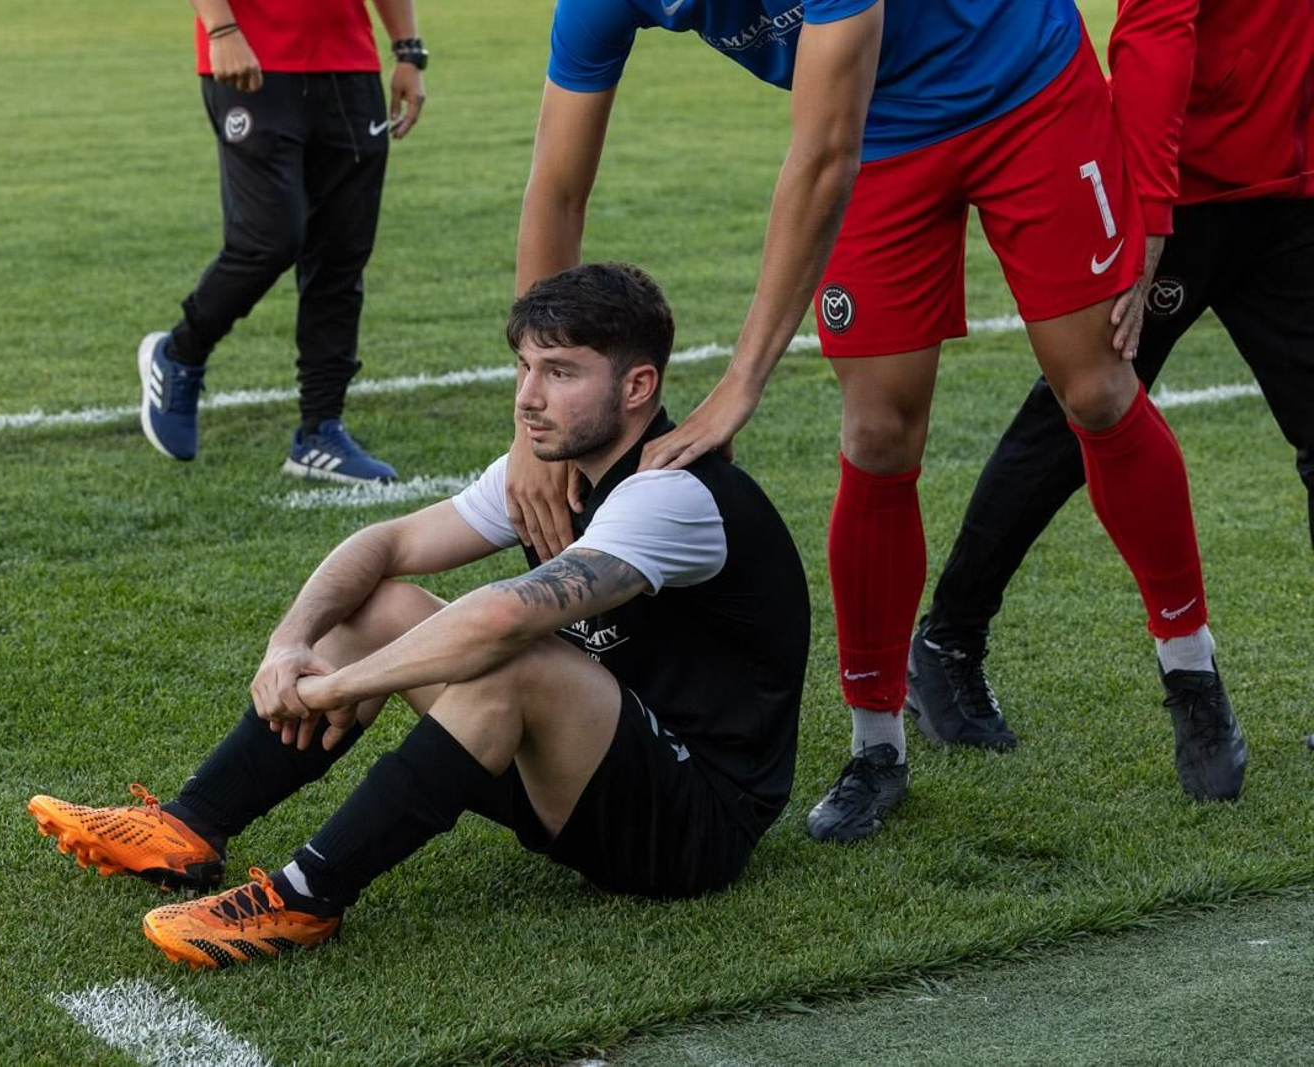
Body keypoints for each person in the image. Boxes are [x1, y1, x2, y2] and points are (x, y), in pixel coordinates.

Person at [506, 0, 1243, 842]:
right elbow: (558, 187)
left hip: (1022, 85)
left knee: (1098, 390)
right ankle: (876, 745)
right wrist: (528, 416)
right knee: (879, 435)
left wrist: (742, 381)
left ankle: (1190, 665)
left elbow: (823, 153)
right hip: (880, 128)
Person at [30, 263, 810, 967]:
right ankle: (191, 822)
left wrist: (340, 687)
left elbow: (503, 619)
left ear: (637, 388)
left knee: (517, 659)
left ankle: (303, 899)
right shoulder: (553, 468)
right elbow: (389, 541)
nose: (527, 397)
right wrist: (288, 644)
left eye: (561, 372)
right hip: (593, 766)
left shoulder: (672, 493)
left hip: (694, 820)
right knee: (382, 604)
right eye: (525, 366)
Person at [907, 0, 1311, 776]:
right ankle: (949, 639)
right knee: (1084, 405)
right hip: (1183, 192)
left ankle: (949, 637)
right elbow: (1155, 27)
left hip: (1294, 192)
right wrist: (1152, 206)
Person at [135, 0, 427, 483]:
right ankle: (180, 354)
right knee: (267, 240)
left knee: (342, 254)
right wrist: (221, 27)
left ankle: (319, 432)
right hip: (251, 59)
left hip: (351, 67)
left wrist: (408, 51)